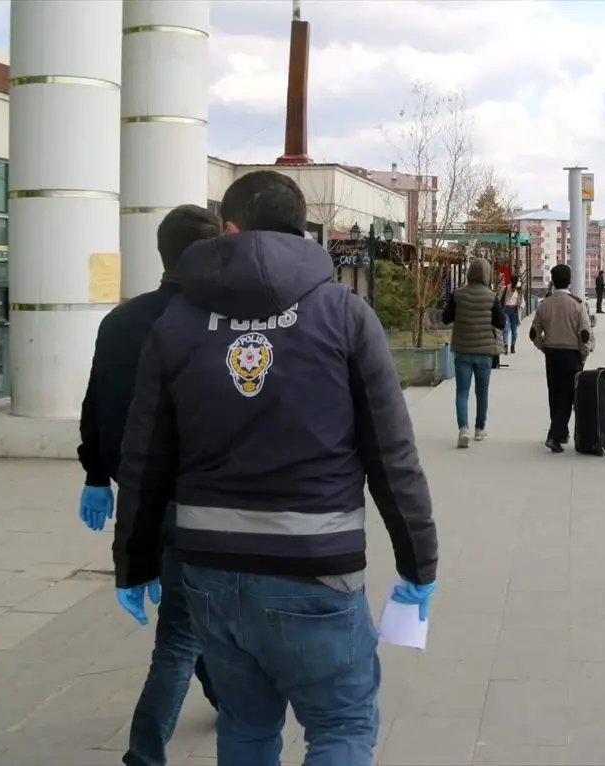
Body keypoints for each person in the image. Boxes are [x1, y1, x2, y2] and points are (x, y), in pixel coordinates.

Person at [113, 170, 439, 766]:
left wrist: (132, 561)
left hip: (210, 571)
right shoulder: (344, 312)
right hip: (315, 566)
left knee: (245, 726)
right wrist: (419, 563)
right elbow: (391, 454)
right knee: (340, 724)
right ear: (300, 230)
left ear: (229, 230)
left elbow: (145, 456)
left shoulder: (178, 323)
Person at [79, 205, 220, 766]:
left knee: (187, 610)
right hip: (189, 499)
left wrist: (96, 474)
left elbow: (94, 403)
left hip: (138, 494)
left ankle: (224, 697)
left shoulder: (120, 320)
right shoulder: (209, 323)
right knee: (182, 632)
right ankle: (143, 754)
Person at [530, 264, 593, 453]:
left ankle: (561, 431)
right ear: (570, 281)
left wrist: (544, 347)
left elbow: (534, 333)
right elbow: (584, 334)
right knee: (568, 396)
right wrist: (583, 354)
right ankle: (554, 435)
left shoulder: (544, 304)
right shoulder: (578, 304)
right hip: (572, 354)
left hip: (552, 353)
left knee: (555, 394)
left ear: (552, 281)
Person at [443, 257, 505, 446]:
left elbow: (446, 318)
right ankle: (480, 429)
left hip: (462, 350)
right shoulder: (491, 297)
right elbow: (501, 323)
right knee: (482, 392)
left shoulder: (458, 295)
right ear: (486, 275)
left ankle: (463, 429)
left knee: (462, 391)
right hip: (484, 352)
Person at [501, 280, 523, 355]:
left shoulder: (519, 291)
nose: (519, 282)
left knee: (514, 331)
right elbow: (500, 297)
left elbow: (522, 302)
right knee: (506, 328)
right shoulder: (506, 288)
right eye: (518, 280)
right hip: (506, 309)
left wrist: (521, 306)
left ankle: (513, 345)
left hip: (515, 311)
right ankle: (505, 346)